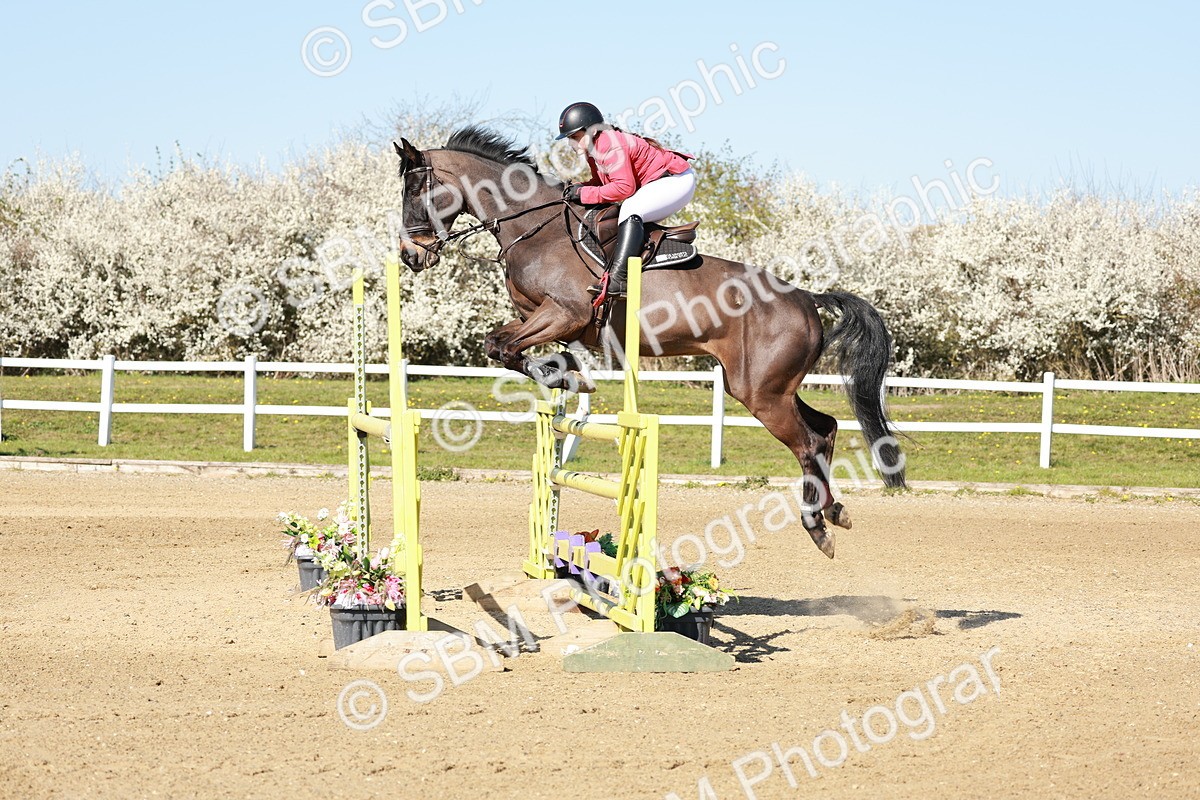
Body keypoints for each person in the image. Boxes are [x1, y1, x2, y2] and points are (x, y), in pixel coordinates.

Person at [557, 101, 695, 297]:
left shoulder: (609, 145)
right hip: (659, 183)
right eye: (569, 138)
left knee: (630, 209)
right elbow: (601, 182)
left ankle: (620, 280)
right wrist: (580, 188)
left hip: (676, 181)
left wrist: (583, 194)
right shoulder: (594, 149)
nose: (571, 143)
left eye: (575, 137)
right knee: (627, 210)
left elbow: (624, 188)